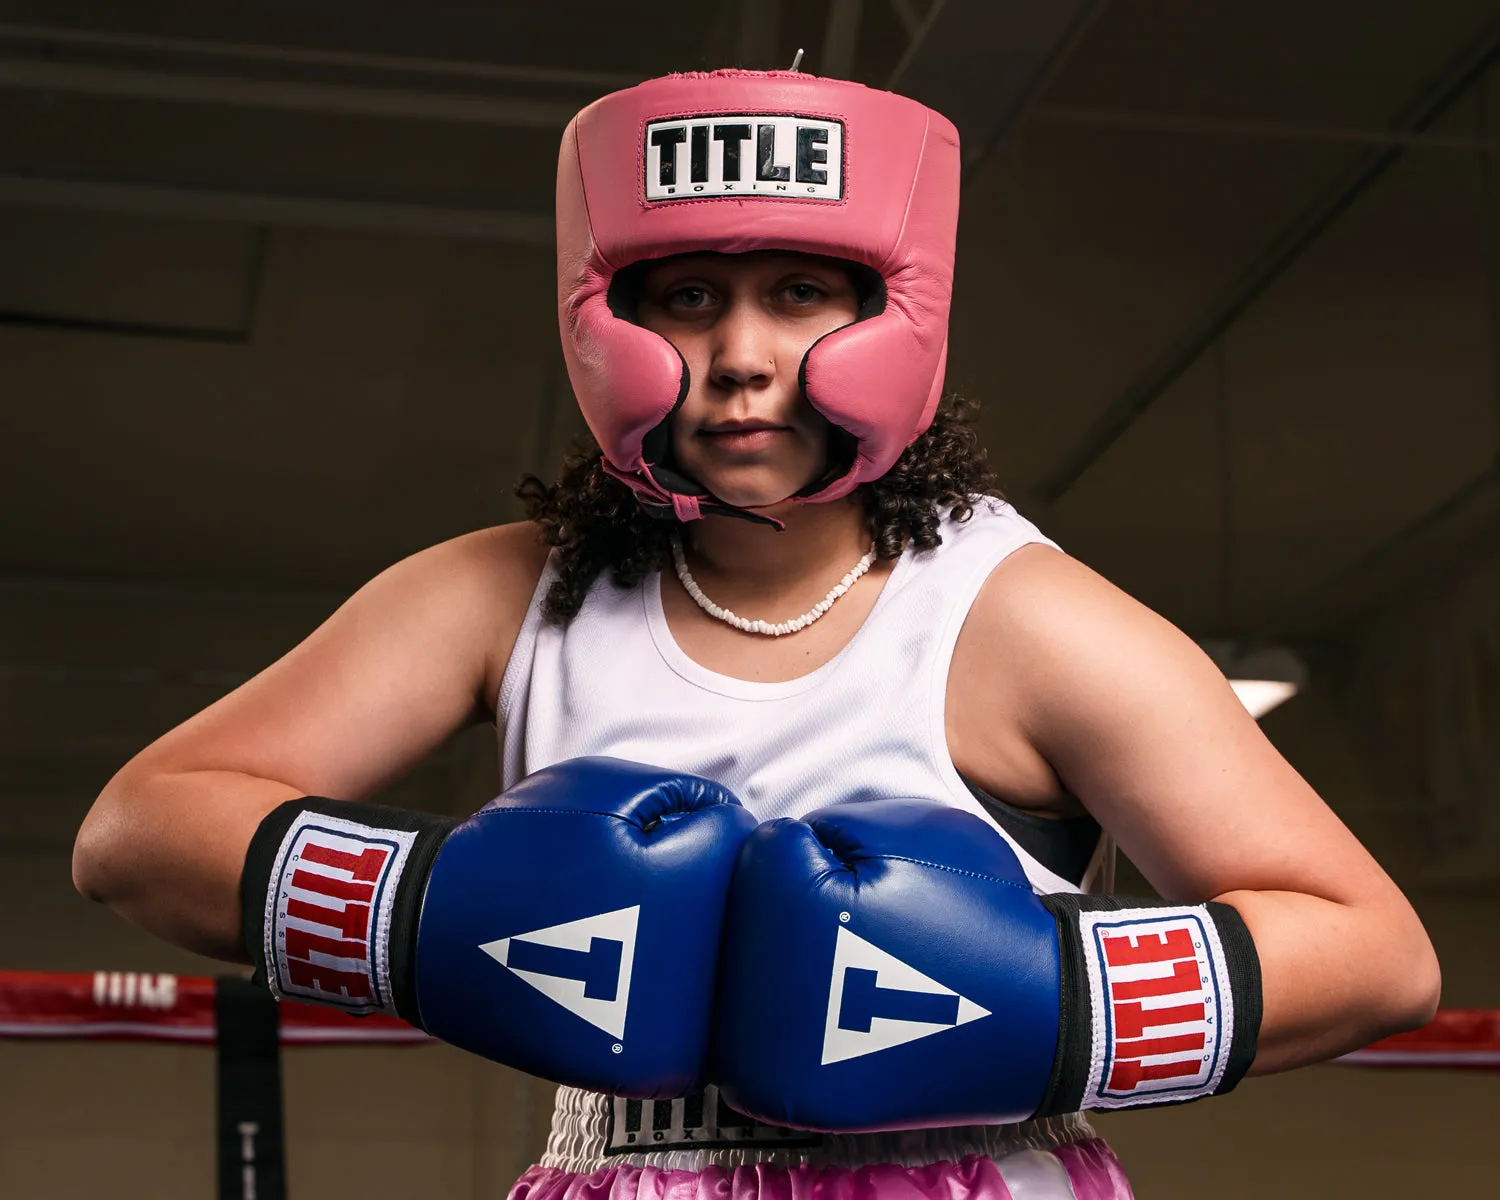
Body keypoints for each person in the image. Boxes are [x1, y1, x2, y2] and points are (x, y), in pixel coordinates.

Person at [73, 68, 1439, 1198]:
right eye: (686, 295)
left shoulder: (1017, 618)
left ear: (892, 312)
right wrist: (433, 912)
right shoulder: (503, 595)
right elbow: (137, 834)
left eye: (800, 293)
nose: (738, 355)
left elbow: (1378, 954)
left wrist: (1041, 1009)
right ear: (607, 315)